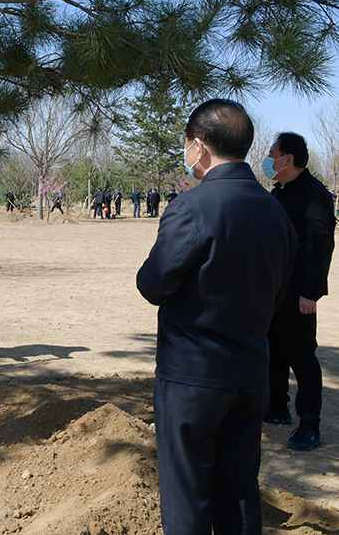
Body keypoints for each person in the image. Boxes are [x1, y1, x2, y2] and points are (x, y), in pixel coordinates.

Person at [137, 100, 295, 535]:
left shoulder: (192, 207)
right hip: (250, 370)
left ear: (199, 146)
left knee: (187, 492)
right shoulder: (274, 210)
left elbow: (153, 284)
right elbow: (281, 289)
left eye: (187, 145)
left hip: (193, 375)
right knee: (240, 490)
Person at [263, 132, 336, 451]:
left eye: (272, 154)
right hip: (274, 289)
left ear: (287, 158)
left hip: (298, 292)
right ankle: (277, 406)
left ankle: (309, 424)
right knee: (273, 350)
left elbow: (321, 246)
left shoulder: (314, 195)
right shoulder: (281, 192)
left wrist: (310, 292)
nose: (268, 160)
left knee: (301, 355)